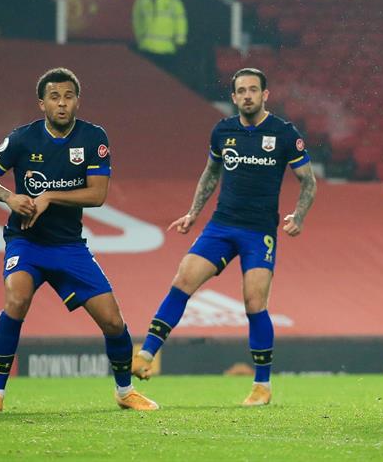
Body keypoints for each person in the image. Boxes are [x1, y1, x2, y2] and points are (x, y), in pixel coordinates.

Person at [0, 68, 158, 413]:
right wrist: (9, 197)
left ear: (77, 101)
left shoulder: (93, 138)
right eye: (54, 97)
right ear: (42, 103)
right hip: (26, 241)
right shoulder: (22, 138)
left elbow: (98, 194)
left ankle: (124, 391)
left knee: (113, 322)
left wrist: (50, 197)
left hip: (69, 247)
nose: (61, 103)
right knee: (17, 299)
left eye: (68, 97)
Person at [131, 68, 317, 406]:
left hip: (259, 231)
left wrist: (298, 217)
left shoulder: (284, 133)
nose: (247, 95)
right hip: (221, 225)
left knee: (254, 303)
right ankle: (145, 355)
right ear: (233, 97)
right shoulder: (223, 130)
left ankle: (262, 385)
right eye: (241, 91)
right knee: (184, 277)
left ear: (265, 95)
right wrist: (192, 213)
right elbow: (210, 173)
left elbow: (308, 180)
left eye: (253, 90)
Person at [132, 0, 187, 74]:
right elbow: (137, 21)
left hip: (167, 49)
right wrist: (139, 38)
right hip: (147, 48)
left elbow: (180, 22)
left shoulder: (173, 2)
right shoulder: (141, 2)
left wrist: (180, 41)